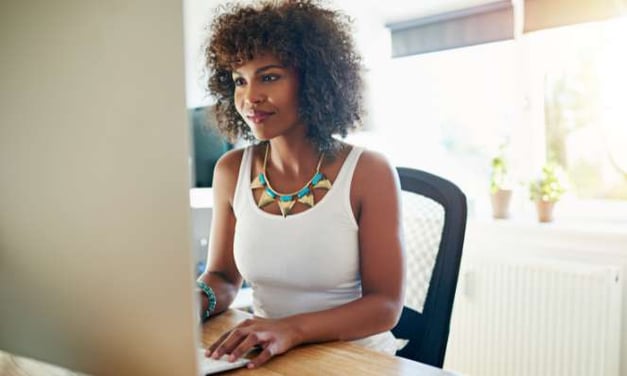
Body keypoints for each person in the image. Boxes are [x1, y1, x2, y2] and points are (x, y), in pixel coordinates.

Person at [196, 0, 405, 369]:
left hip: (357, 359)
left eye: (269, 76)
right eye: (239, 80)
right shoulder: (230, 171)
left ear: (313, 80)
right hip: (269, 358)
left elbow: (385, 305)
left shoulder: (369, 173)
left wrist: (291, 329)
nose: (250, 97)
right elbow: (224, 277)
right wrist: (196, 299)